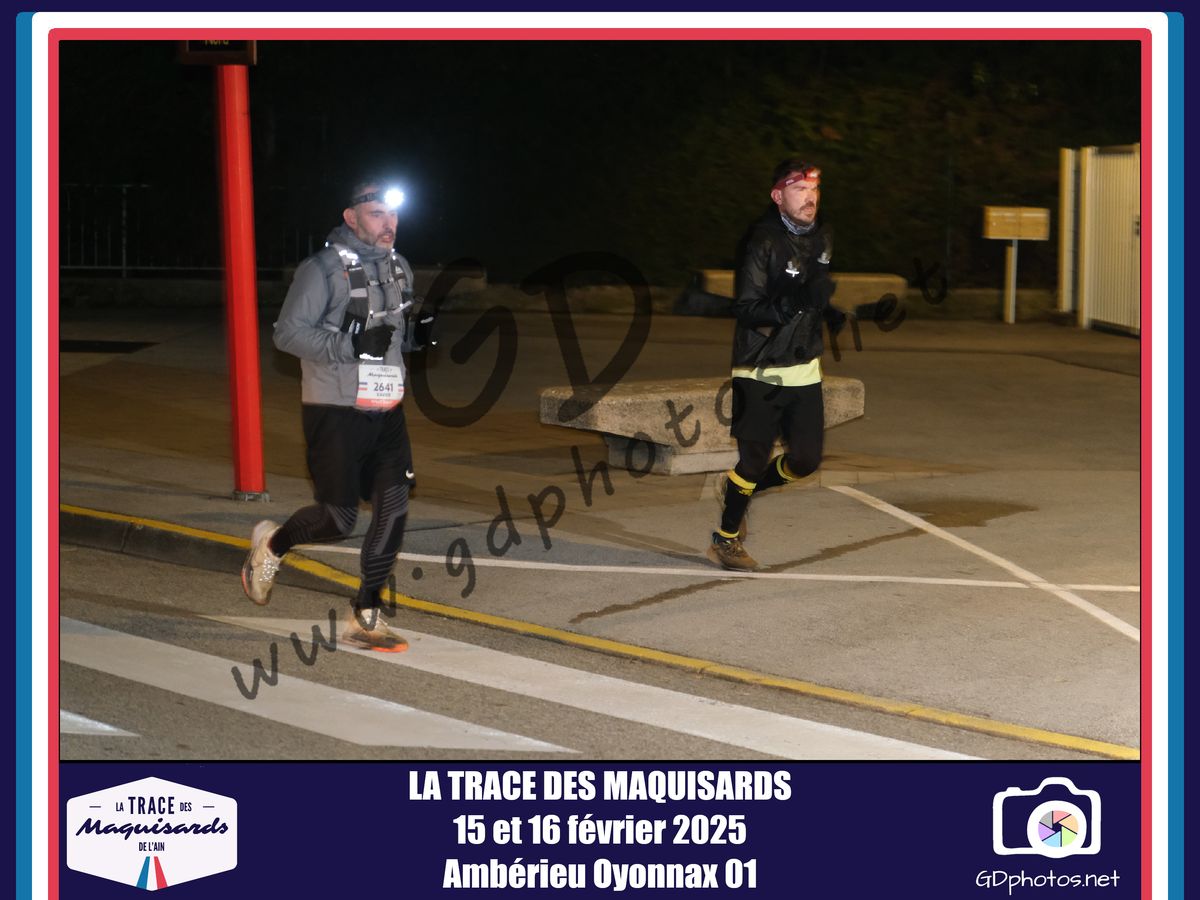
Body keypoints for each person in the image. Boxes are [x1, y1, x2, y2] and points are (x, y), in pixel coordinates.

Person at [241, 177, 437, 651]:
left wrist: (416, 337)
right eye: (377, 214)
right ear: (351, 217)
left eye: (393, 215)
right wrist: (350, 344)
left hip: (387, 408)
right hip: (334, 410)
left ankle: (366, 614)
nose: (388, 224)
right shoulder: (322, 269)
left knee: (394, 509)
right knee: (339, 518)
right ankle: (273, 544)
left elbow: (391, 337)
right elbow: (287, 334)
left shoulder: (399, 267)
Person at [707, 158, 846, 571]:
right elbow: (747, 308)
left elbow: (809, 288)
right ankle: (725, 539)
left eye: (814, 190)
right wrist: (798, 302)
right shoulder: (761, 241)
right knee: (753, 460)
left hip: (804, 367)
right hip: (758, 366)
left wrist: (828, 312)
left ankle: (740, 490)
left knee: (805, 461)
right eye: (799, 189)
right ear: (777, 196)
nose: (810, 197)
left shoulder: (824, 235)